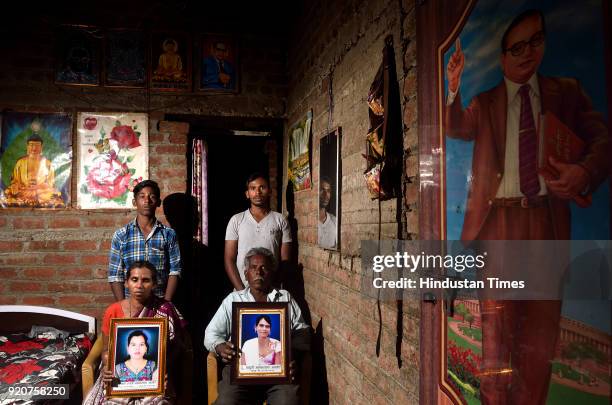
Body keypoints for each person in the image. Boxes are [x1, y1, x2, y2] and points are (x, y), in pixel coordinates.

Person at [445, 9, 609, 404]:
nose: (526, 53)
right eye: (516, 46)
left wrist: (583, 173)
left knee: (539, 346)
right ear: (503, 57)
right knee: (495, 345)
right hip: (498, 225)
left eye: (535, 41)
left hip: (546, 223)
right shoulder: (485, 103)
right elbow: (456, 128)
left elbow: (603, 141)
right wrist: (453, 87)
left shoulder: (565, 93)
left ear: (544, 44)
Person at [205, 247, 310, 405]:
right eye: (253, 268)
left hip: (278, 378)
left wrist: (290, 354)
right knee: (227, 401)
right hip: (240, 376)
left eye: (264, 268)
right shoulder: (233, 300)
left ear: (272, 273)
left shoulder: (285, 297)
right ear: (246, 273)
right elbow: (210, 334)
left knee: (287, 401)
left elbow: (302, 333)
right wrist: (220, 347)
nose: (258, 272)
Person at [83, 260, 186, 405]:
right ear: (126, 283)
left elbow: (177, 347)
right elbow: (106, 350)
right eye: (134, 280)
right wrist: (108, 367)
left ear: (154, 284)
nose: (139, 286)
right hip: (119, 377)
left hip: (155, 377)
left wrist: (163, 368)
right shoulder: (113, 311)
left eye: (146, 280)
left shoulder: (165, 309)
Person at [108, 180, 182, 301]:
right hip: (131, 304)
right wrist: (123, 306)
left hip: (159, 302)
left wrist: (166, 305)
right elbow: (115, 276)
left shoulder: (168, 234)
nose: (147, 201)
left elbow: (175, 271)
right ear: (134, 202)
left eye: (152, 197)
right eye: (142, 196)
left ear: (158, 202)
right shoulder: (121, 235)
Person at [224, 173, 292, 290]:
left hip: (271, 290)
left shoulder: (281, 220)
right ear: (247, 194)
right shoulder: (236, 220)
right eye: (253, 188)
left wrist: (274, 288)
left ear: (270, 191)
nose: (258, 192)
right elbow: (229, 259)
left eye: (262, 187)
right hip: (242, 289)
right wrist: (242, 293)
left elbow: (285, 260)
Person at [4, 124, 64, 207]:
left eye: (37, 145)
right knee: (8, 191)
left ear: (41, 147)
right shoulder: (20, 162)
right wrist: (15, 186)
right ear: (27, 147)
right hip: (24, 190)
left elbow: (50, 183)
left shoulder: (47, 163)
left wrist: (37, 187)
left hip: (40, 191)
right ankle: (26, 200)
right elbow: (15, 181)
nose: (34, 148)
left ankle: (21, 201)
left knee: (51, 192)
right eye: (31, 145)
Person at [318, 176, 337, 249]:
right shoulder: (309, 223)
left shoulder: (335, 221)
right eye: (322, 190)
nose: (326, 195)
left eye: (328, 191)